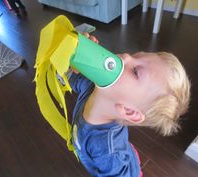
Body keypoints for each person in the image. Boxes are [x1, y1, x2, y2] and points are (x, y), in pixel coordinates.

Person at [69, 33, 191, 177]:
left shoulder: (107, 150)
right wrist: (78, 58)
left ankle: (131, 159)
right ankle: (130, 152)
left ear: (129, 111)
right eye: (137, 55)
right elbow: (71, 78)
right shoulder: (91, 85)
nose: (127, 56)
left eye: (135, 72)